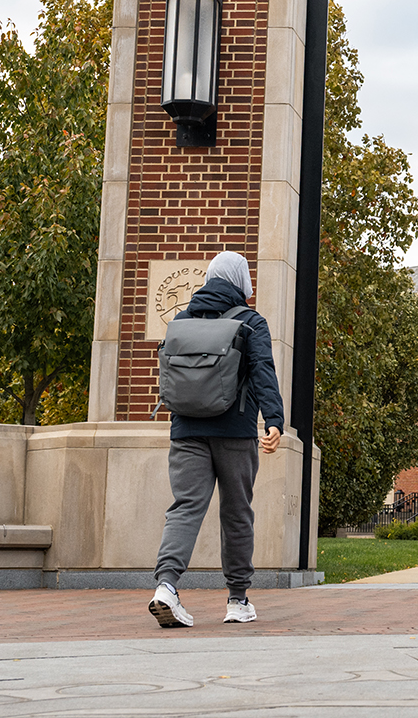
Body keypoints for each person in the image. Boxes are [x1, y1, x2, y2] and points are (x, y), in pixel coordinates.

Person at [148, 250, 284, 629]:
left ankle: (166, 586)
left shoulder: (181, 319)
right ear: (241, 283)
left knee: (185, 507)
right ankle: (238, 600)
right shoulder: (250, 321)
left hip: (186, 428)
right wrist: (274, 420)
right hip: (235, 431)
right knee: (236, 512)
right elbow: (262, 372)